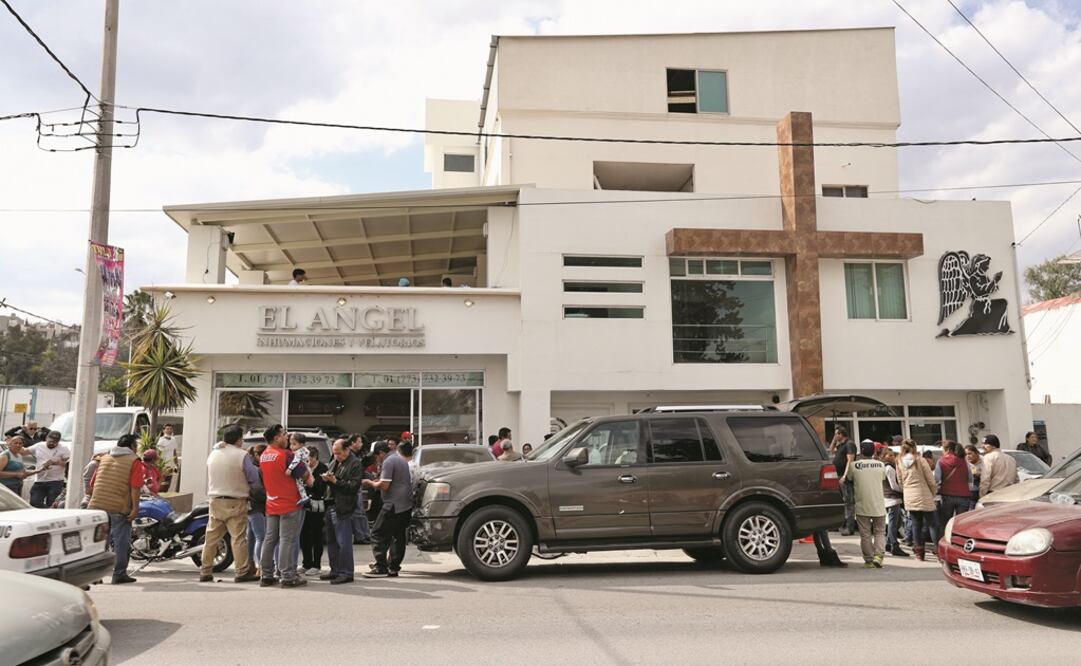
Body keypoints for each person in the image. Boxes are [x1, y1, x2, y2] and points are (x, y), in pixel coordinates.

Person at [199, 425, 260, 583]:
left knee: (211, 538)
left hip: (215, 500)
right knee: (238, 538)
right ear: (239, 439)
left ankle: (205, 571)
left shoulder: (213, 453)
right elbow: (253, 477)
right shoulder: (242, 455)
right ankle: (242, 572)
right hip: (236, 500)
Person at [87, 434, 144, 584]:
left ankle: (95, 576)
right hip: (118, 507)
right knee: (121, 542)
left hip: (97, 506)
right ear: (132, 446)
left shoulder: (104, 459)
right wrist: (135, 508)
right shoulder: (134, 461)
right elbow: (135, 487)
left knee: (100, 543)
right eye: (136, 445)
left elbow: (92, 485)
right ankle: (119, 574)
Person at [258, 424, 308, 588]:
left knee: (269, 539)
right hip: (289, 503)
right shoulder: (286, 454)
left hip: (271, 503)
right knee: (287, 539)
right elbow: (303, 473)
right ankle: (287, 575)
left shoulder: (264, 455)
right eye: (285, 435)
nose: (287, 437)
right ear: (276, 437)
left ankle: (266, 574)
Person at [363, 440, 415, 578]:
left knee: (377, 533)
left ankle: (381, 567)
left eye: (376, 456)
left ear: (381, 453)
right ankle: (393, 566)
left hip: (394, 504)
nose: (375, 459)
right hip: (405, 504)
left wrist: (369, 483)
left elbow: (385, 485)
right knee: (397, 536)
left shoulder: (389, 461)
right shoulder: (399, 459)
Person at [320, 439, 364, 584]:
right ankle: (335, 570)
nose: (337, 456)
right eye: (335, 453)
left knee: (343, 541)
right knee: (331, 541)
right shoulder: (335, 462)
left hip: (343, 506)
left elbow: (353, 487)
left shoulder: (355, 463)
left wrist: (335, 481)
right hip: (331, 504)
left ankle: (346, 572)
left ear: (347, 450)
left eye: (339, 453)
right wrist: (326, 479)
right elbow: (332, 477)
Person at [896, 440, 939, 561]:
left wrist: (907, 491)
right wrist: (933, 492)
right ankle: (938, 551)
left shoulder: (899, 461)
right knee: (933, 524)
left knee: (916, 524)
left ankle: (919, 553)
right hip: (923, 494)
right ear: (914, 448)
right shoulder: (920, 460)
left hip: (910, 496)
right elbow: (930, 479)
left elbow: (900, 481)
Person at [849, 440, 888, 568]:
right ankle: (878, 555)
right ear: (873, 451)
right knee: (880, 531)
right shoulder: (881, 465)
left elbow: (849, 478)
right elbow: (882, 478)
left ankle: (869, 560)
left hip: (862, 505)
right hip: (878, 504)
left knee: (865, 534)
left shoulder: (854, 466)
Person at [300, 446, 328, 576]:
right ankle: (306, 563)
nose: (306, 462)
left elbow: (319, 488)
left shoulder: (323, 469)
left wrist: (308, 482)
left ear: (314, 457)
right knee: (304, 535)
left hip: (317, 506)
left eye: (308, 459)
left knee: (316, 535)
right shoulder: (303, 468)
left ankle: (316, 564)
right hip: (304, 506)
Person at [28, 430, 70, 508]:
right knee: (34, 501)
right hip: (40, 480)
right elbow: (25, 451)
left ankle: (50, 514)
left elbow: (68, 464)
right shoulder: (39, 446)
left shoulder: (63, 448)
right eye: (50, 441)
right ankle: (48, 512)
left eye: (55, 442)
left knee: (52, 503)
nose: (52, 443)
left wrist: (55, 462)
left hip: (56, 481)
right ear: (47, 438)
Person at [935, 440, 973, 522]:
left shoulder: (941, 461)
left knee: (946, 522)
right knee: (961, 523)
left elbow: (937, 479)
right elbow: (970, 478)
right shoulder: (964, 461)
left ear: (947, 450)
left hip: (947, 495)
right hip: (964, 496)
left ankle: (948, 535)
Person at [830, 428, 857, 536]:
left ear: (841, 434)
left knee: (848, 502)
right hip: (838, 475)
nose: (835, 436)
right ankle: (841, 524)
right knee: (841, 501)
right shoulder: (841, 445)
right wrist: (834, 439)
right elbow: (831, 450)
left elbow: (850, 461)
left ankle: (850, 527)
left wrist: (845, 475)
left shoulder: (849, 444)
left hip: (844, 477)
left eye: (836, 434)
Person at [881, 449, 908, 557]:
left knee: (897, 522)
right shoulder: (889, 467)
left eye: (893, 455)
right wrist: (904, 489)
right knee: (894, 523)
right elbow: (893, 485)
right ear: (884, 456)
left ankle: (888, 543)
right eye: (889, 455)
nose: (892, 457)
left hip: (887, 498)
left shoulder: (884, 466)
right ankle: (894, 545)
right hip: (892, 498)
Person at [247, 443, 267, 576]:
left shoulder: (249, 466)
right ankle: (261, 567)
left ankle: (250, 565)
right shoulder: (256, 469)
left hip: (248, 506)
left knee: (251, 537)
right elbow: (258, 490)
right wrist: (267, 497)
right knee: (261, 537)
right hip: (256, 506)